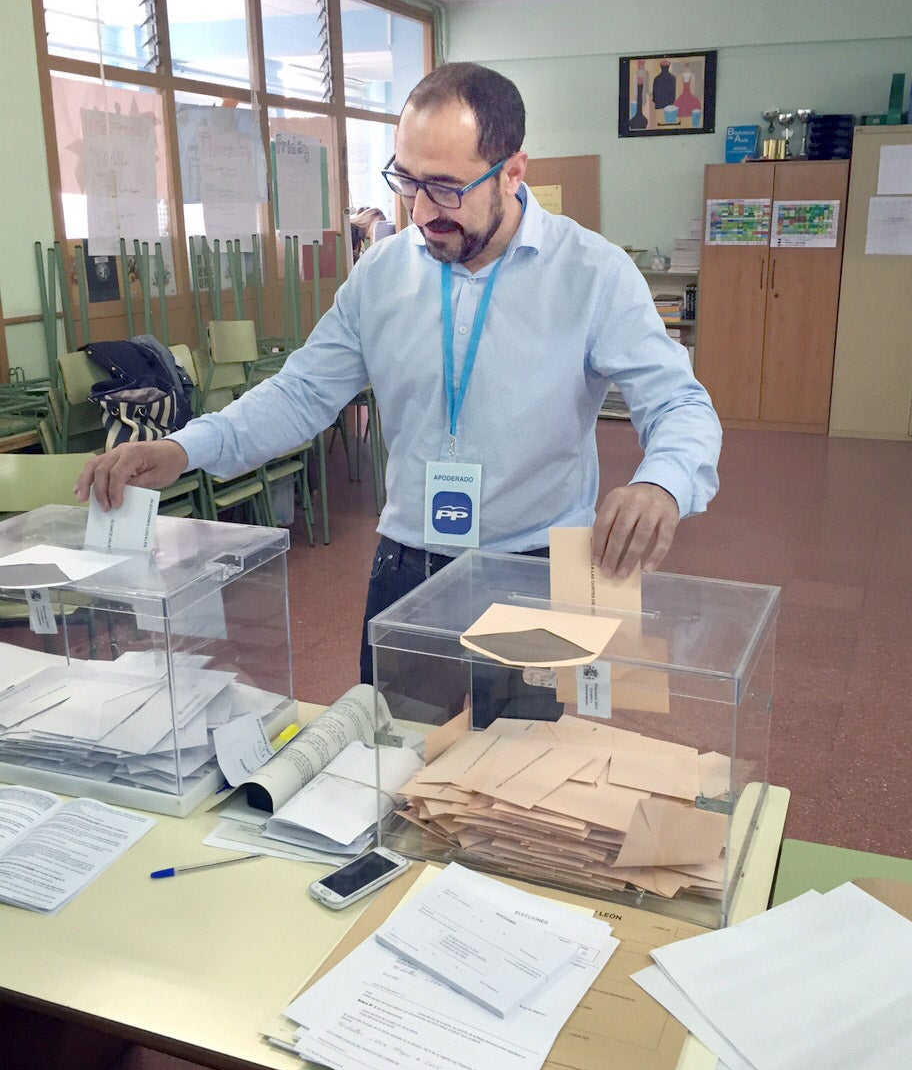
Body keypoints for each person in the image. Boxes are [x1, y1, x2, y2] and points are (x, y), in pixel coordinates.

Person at [76, 62, 722, 686]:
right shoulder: (383, 274)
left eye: (446, 187)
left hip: (534, 567)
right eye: (407, 182)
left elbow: (680, 405)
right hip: (408, 564)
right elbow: (302, 395)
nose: (421, 209)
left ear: (513, 171)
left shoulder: (591, 274)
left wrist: (659, 486)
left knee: (515, 779)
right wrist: (183, 447)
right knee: (397, 763)